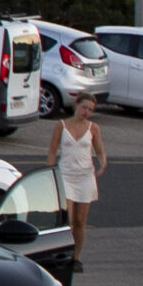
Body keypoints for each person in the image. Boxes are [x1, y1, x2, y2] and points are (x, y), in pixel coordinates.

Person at [48, 92, 107, 265]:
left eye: (90, 109)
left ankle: (75, 257)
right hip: (66, 174)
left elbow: (100, 151)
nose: (86, 112)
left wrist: (102, 162)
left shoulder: (93, 128)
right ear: (76, 105)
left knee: (81, 220)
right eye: (84, 107)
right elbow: (52, 151)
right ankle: (61, 252)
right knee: (68, 219)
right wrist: (50, 173)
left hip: (85, 176)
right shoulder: (61, 125)